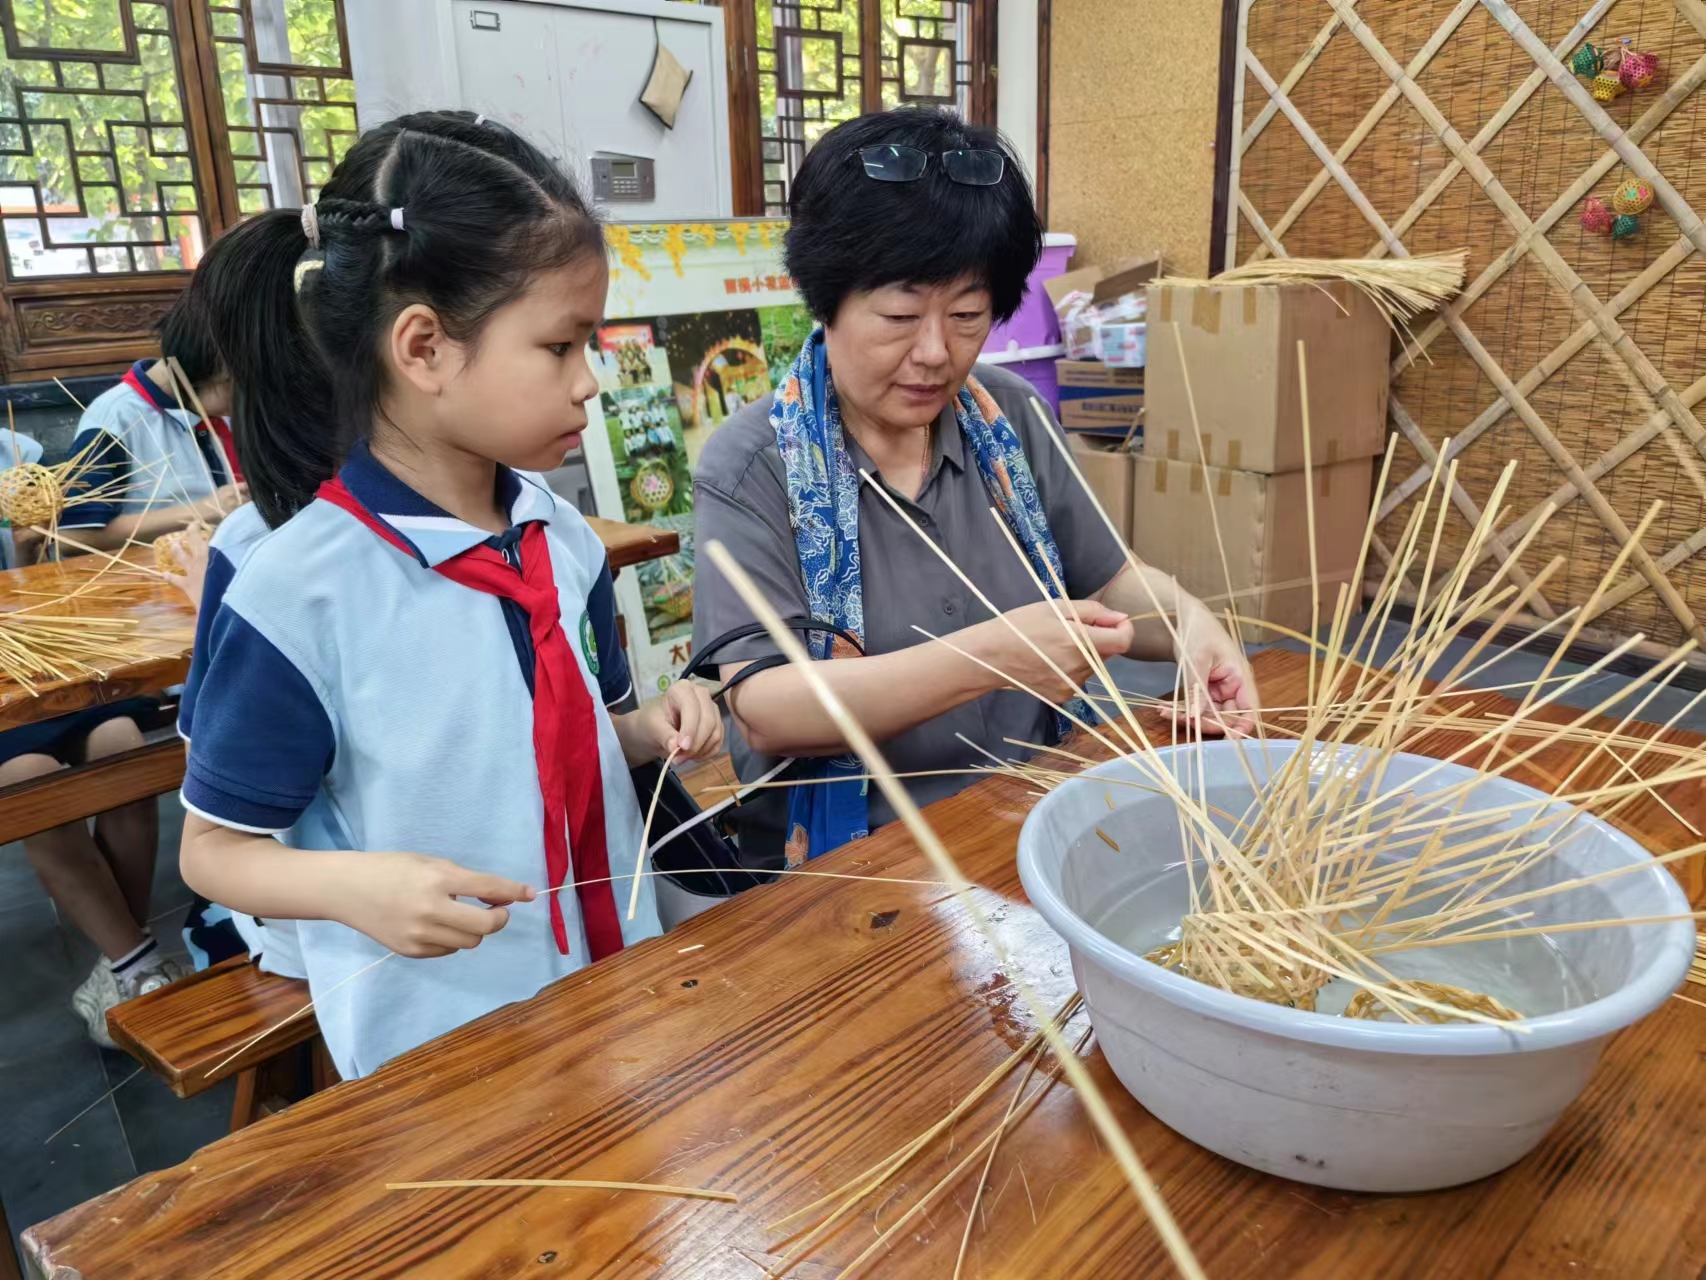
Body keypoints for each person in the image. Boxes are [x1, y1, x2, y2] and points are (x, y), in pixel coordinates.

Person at [177, 110, 723, 1080]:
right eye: (560, 346)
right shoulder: (301, 591)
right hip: (442, 1044)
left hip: (616, 992)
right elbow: (214, 849)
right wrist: (356, 888)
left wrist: (646, 730)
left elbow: (568, 732)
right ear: (423, 347)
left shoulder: (562, 540)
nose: (590, 383)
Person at [692, 107, 1258, 868]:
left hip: (1034, 816)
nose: (935, 352)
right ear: (826, 303)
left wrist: (1193, 625)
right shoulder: (753, 465)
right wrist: (993, 656)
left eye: (967, 315)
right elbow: (766, 706)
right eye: (899, 314)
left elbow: (1110, 584)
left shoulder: (1006, 417)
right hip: (859, 869)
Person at [0, 420, 199, 1043]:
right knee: (30, 777)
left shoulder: (14, 454)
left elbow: (35, 577)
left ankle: (124, 965)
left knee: (120, 743)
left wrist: (31, 546)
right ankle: (137, 964)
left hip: (44, 653)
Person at [59, 291, 246, 550]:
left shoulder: (216, 410)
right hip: (154, 571)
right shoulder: (116, 416)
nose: (251, 397)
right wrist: (206, 509)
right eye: (240, 383)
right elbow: (71, 538)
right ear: (210, 366)